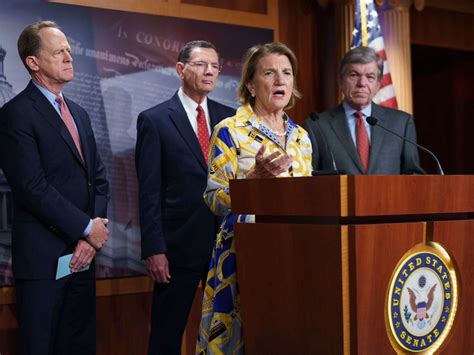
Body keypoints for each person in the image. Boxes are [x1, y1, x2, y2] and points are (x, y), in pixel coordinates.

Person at [0, 21, 109, 355]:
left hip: (84, 257)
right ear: (33, 62)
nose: (69, 56)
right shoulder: (15, 114)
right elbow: (32, 187)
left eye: (69, 50)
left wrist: (91, 236)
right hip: (44, 260)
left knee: (79, 345)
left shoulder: (79, 113)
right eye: (58, 51)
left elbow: (99, 180)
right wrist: (86, 227)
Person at [196, 42, 313, 354]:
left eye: (287, 73)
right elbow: (214, 199)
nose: (280, 80)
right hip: (242, 256)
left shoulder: (302, 137)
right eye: (270, 73)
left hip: (296, 255)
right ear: (250, 83)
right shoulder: (229, 131)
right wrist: (252, 182)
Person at [135, 40, 235, 355]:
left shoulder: (229, 119)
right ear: (180, 69)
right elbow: (148, 191)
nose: (209, 72)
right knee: (167, 334)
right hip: (177, 248)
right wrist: (154, 249)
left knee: (228, 332)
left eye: (215, 66)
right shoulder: (155, 119)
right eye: (201, 64)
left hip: (225, 244)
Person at [304, 46, 424, 175]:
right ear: (340, 81)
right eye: (354, 75)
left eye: (370, 77)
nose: (362, 83)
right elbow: (310, 178)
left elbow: (413, 176)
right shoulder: (317, 125)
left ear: (378, 84)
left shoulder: (401, 123)